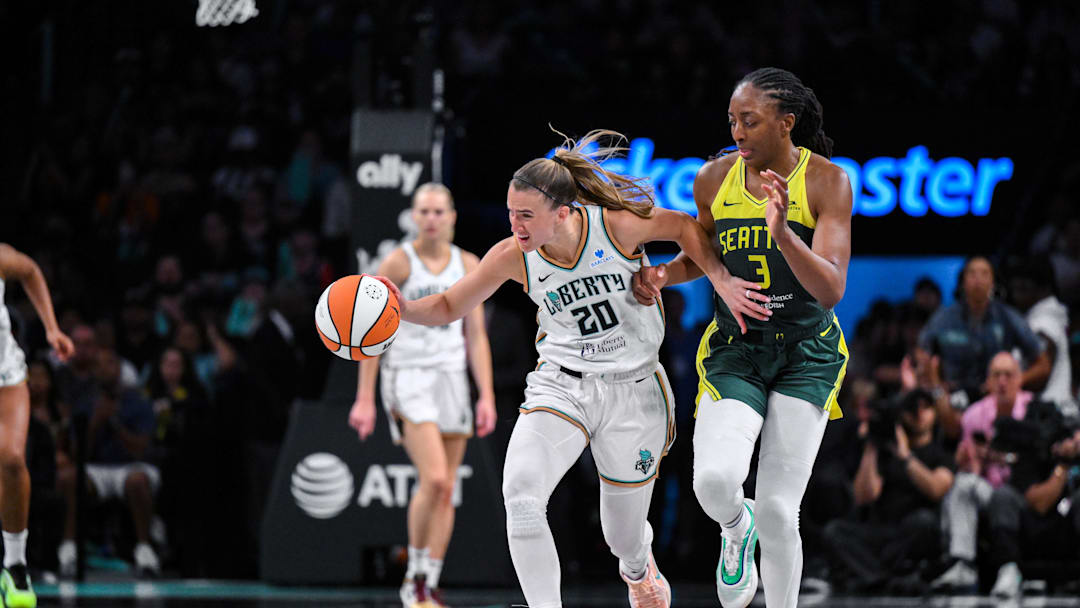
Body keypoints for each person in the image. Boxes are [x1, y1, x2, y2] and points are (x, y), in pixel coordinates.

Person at [374, 129, 745, 608]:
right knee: (522, 499)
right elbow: (448, 305)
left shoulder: (617, 226)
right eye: (511, 213)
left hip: (634, 391)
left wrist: (687, 276)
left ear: (564, 212)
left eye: (526, 215)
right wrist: (401, 307)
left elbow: (684, 228)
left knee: (623, 538)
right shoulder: (513, 255)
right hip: (561, 387)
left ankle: (639, 569)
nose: (515, 224)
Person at [632, 67, 852, 608]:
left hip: (807, 353)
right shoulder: (713, 179)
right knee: (712, 482)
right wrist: (665, 274)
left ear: (785, 124)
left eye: (749, 121)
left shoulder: (828, 181)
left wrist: (781, 235)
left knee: (781, 510)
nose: (737, 132)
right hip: (738, 349)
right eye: (732, 120)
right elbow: (703, 256)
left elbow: (830, 289)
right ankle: (736, 525)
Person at [348, 183, 497, 608]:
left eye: (438, 211)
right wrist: (364, 398)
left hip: (452, 378)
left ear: (452, 216)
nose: (431, 218)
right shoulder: (398, 261)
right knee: (432, 478)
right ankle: (412, 577)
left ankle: (429, 580)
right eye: (424, 211)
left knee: (447, 488)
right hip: (408, 376)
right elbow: (371, 333)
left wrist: (485, 394)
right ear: (414, 217)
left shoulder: (469, 263)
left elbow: (476, 336)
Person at [0, 243, 74, 607]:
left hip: (6, 376)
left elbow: (29, 270)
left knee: (12, 461)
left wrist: (52, 329)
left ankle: (14, 567)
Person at [822, 389, 954, 593]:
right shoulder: (884, 451)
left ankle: (870, 576)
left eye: (926, 408)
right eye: (913, 409)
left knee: (924, 522)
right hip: (882, 532)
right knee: (835, 531)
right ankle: (887, 579)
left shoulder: (941, 455)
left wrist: (905, 456)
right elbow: (863, 496)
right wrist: (871, 447)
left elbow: (937, 489)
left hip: (912, 534)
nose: (919, 414)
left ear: (935, 414)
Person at [917, 255, 1050, 434]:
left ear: (993, 282)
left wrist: (1015, 381)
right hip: (953, 398)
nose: (978, 280)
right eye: (972, 274)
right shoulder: (944, 318)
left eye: (984, 273)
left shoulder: (1007, 317)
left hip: (995, 398)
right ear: (963, 282)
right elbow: (921, 352)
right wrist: (936, 382)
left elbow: (1043, 363)